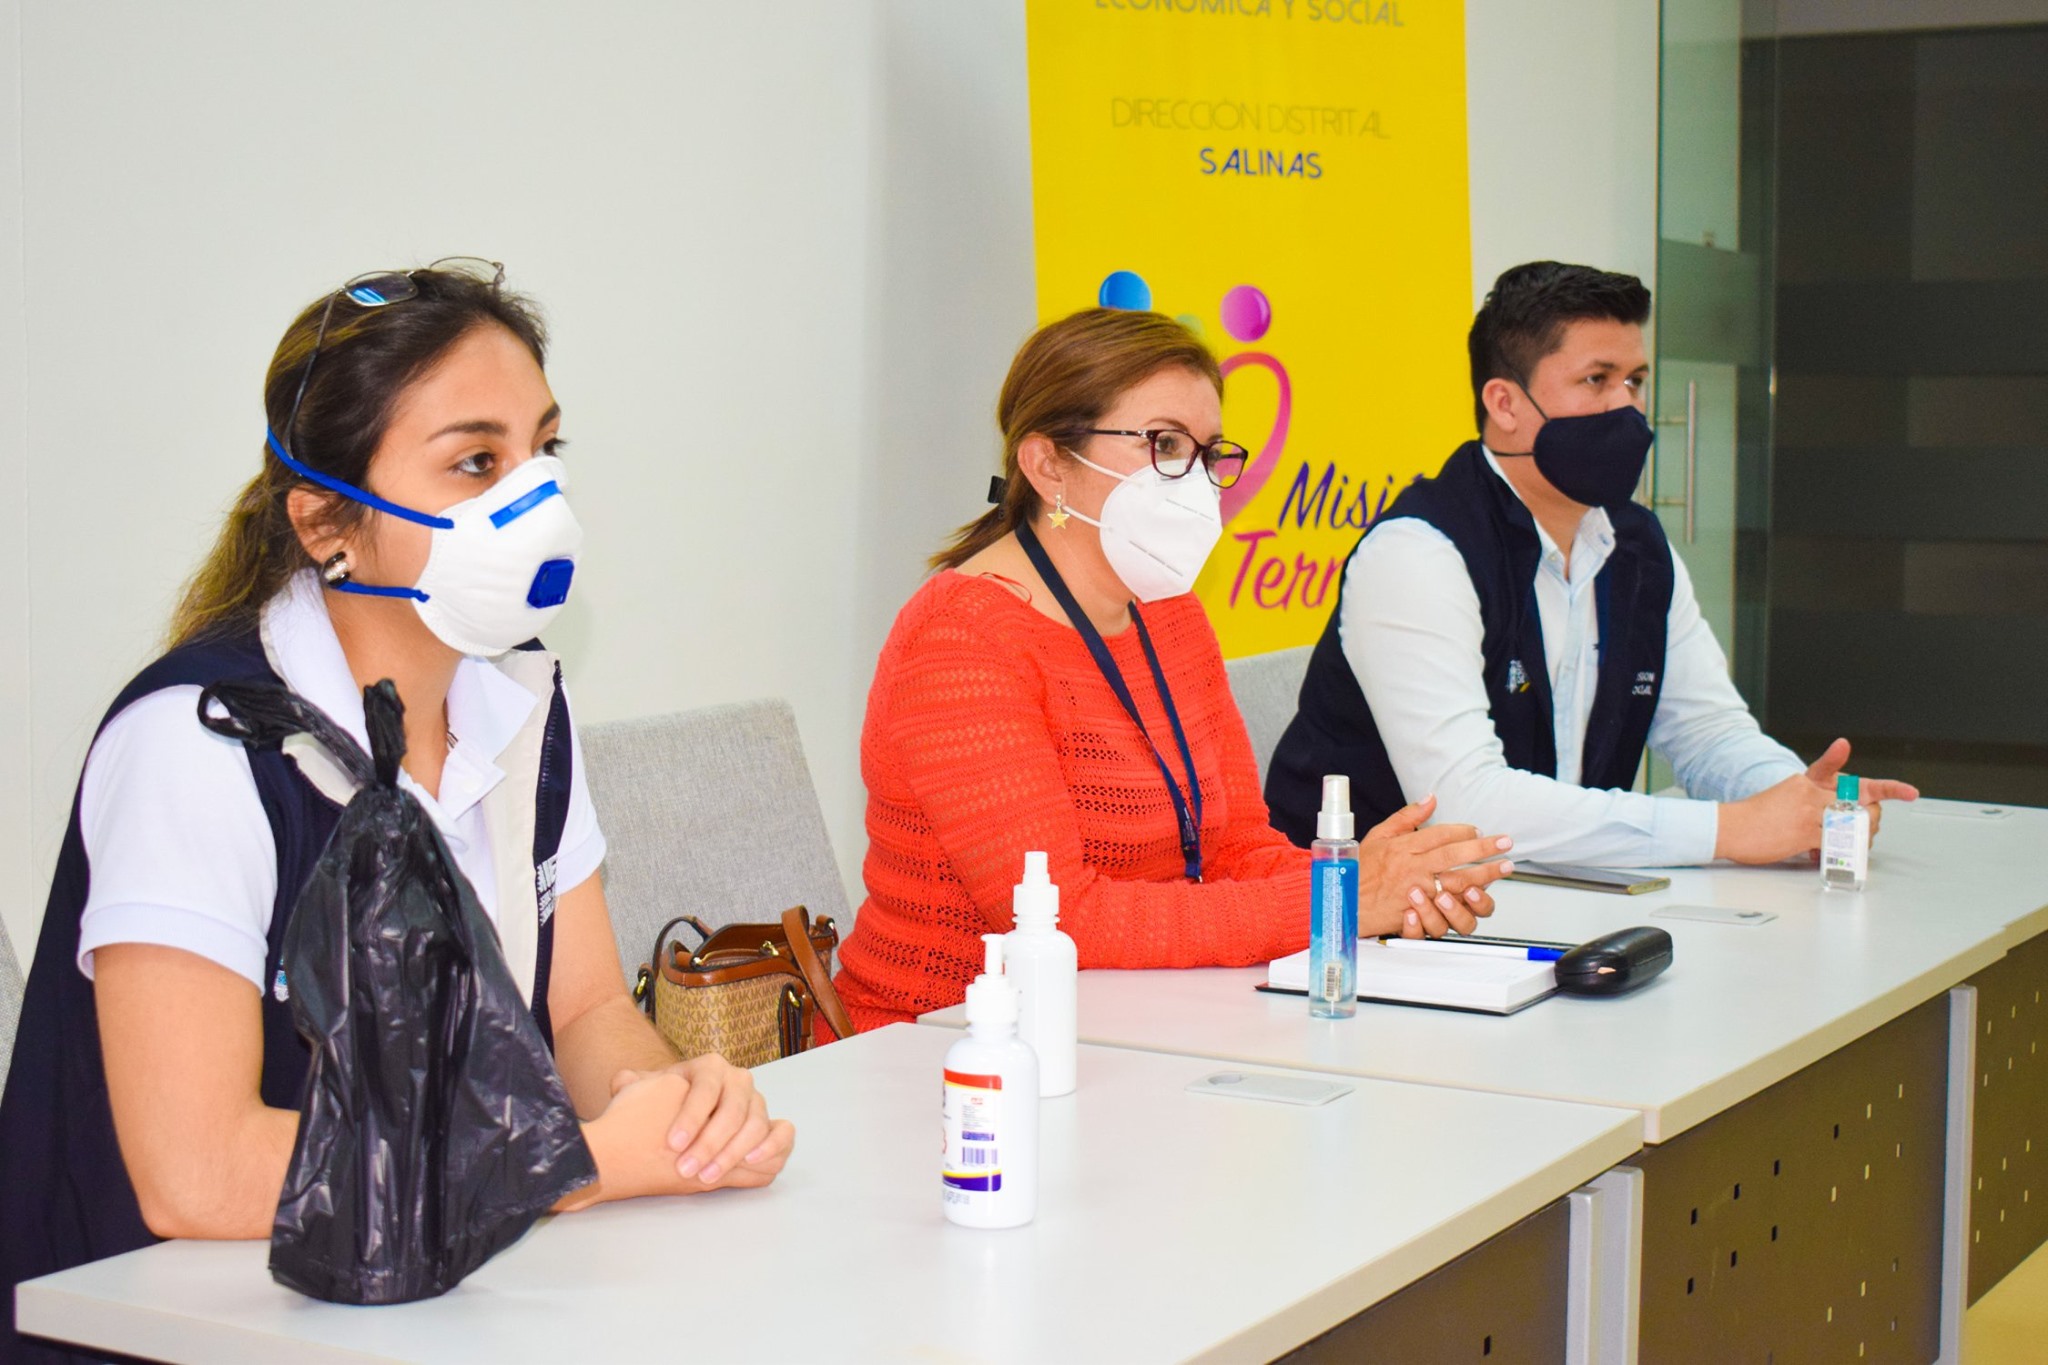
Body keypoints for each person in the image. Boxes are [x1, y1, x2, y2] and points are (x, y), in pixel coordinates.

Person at [0, 261, 794, 1362]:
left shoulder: (519, 702)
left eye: (542, 451)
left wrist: (672, 1107)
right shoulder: (201, 740)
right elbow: (195, 1171)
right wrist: (582, 1164)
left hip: (438, 1297)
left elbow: (583, 1010)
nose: (534, 501)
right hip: (185, 1325)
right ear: (326, 518)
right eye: (476, 462)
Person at [832, 308, 1517, 1032]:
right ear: (1047, 464)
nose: (1195, 480)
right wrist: (1333, 903)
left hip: (1141, 1020)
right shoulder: (962, 640)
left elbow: (1234, 846)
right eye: (1164, 444)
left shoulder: (1170, 614)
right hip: (946, 1043)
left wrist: (1373, 884)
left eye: (1207, 452)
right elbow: (1062, 918)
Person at [1266, 261, 1918, 865]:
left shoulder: (1637, 546)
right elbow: (1467, 804)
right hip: (1357, 919)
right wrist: (1731, 830)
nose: (1626, 408)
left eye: (1635, 381)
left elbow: (1707, 730)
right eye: (1596, 380)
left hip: (1555, 895)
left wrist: (1801, 803)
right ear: (1505, 404)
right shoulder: (1417, 554)